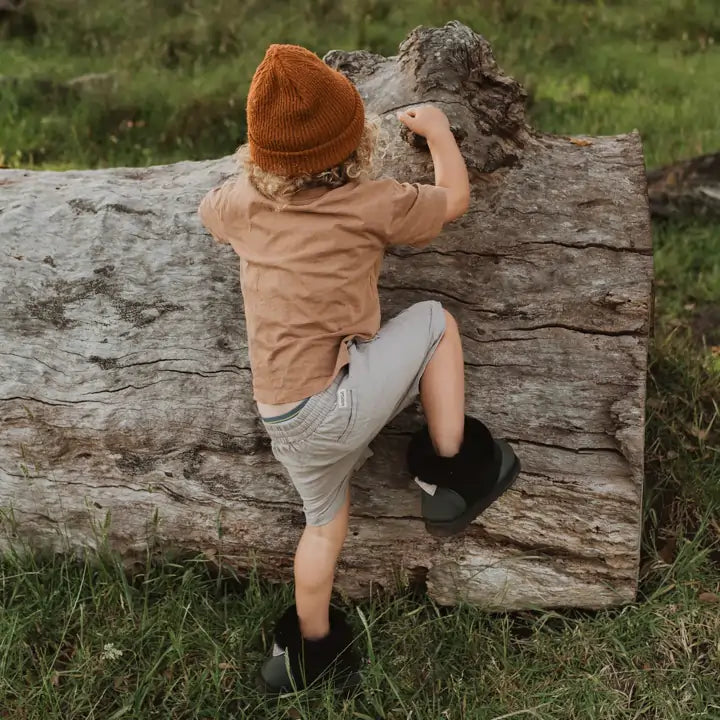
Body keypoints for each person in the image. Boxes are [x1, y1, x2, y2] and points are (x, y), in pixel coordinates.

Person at [199, 43, 520, 694]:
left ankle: (306, 654)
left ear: (260, 154)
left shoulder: (240, 203)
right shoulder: (373, 201)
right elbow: (453, 199)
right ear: (355, 140)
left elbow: (211, 213)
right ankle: (450, 472)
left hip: (283, 415)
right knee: (435, 322)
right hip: (338, 405)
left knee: (324, 525)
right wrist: (437, 133)